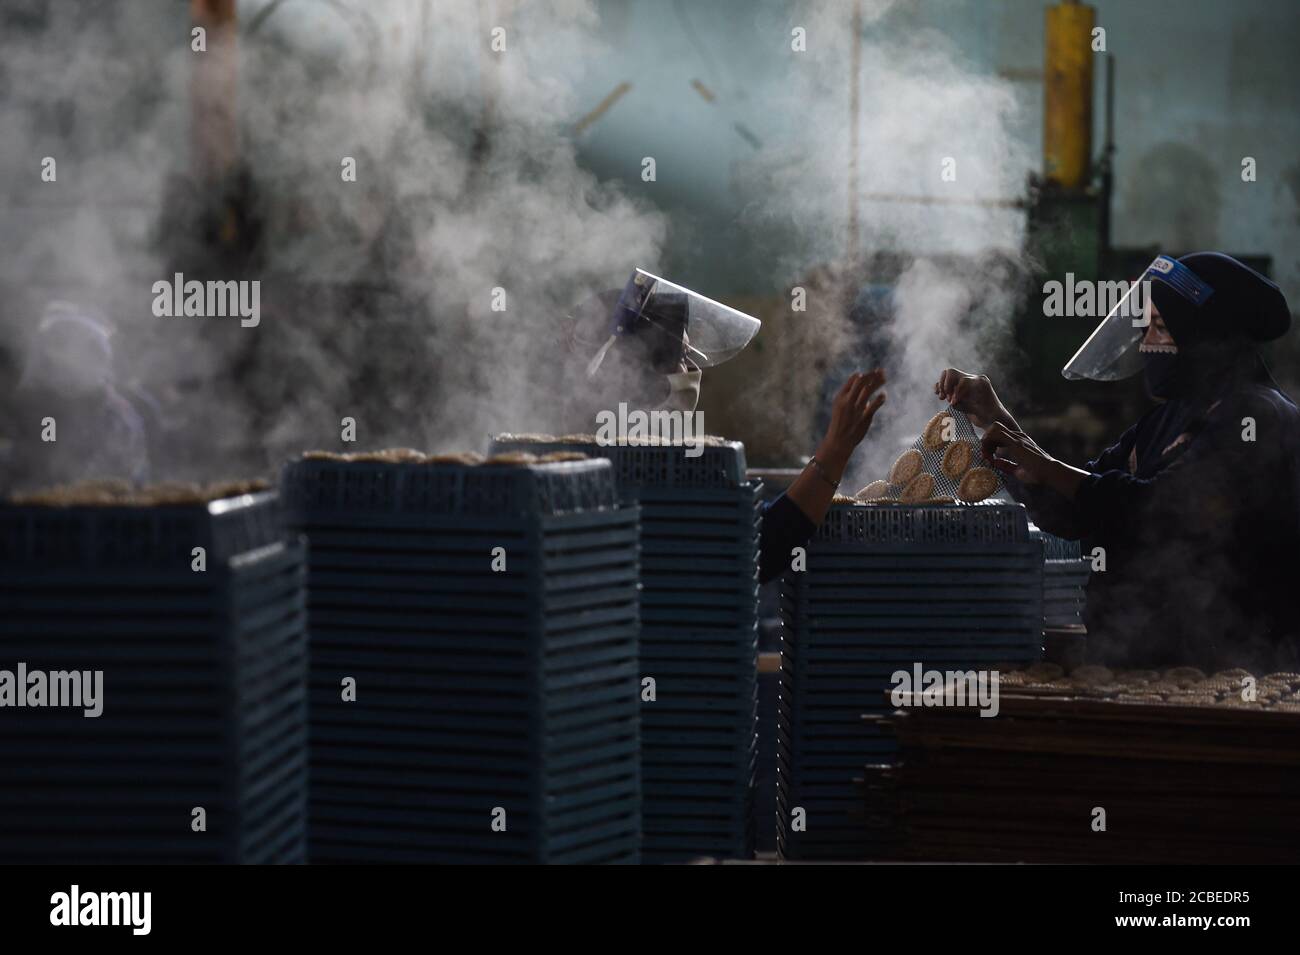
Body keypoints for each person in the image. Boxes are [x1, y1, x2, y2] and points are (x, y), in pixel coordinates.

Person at [937, 252, 1299, 671]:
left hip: (1235, 670)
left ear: (1207, 336)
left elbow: (1159, 512)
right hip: (1146, 659)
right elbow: (1081, 500)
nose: (1147, 342)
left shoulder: (1255, 418)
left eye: (1161, 327)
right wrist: (999, 423)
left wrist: (1034, 456)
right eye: (1145, 325)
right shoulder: (1169, 417)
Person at [562, 269, 887, 584]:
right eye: (682, 356)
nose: (693, 371)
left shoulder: (592, 455)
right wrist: (834, 451)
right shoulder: (662, 468)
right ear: (634, 374)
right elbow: (760, 546)